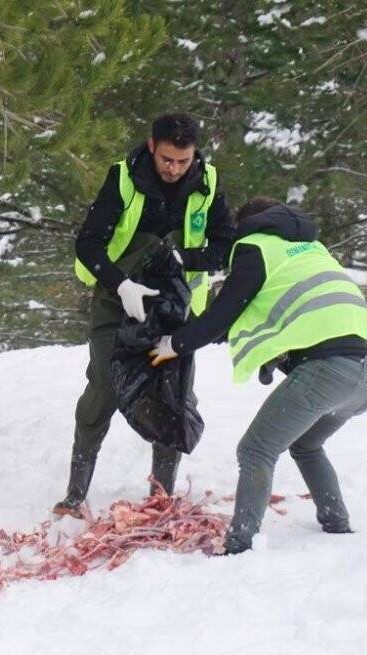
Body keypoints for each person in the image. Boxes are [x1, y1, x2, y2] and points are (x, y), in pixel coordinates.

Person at [149, 197, 367, 554]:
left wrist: (175, 344)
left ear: (248, 223)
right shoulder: (312, 248)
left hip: (330, 367)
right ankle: (335, 521)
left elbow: (223, 313)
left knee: (256, 450)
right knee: (306, 444)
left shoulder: (255, 245)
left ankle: (240, 543)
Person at [53, 113, 233, 518]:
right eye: (167, 159)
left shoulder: (208, 183)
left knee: (172, 395)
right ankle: (74, 496)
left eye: (183, 161)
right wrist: (121, 284)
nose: (174, 169)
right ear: (152, 146)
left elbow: (225, 247)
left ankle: (161, 498)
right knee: (104, 387)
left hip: (175, 309)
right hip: (117, 299)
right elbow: (88, 244)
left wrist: (183, 258)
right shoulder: (123, 179)